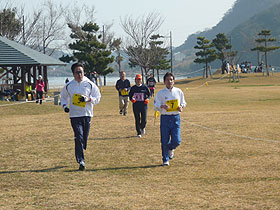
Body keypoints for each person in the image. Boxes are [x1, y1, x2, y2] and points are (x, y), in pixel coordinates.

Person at [60, 63, 101, 171]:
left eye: (81, 72)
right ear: (73, 74)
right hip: (74, 115)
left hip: (87, 114)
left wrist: (88, 99)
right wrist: (64, 106)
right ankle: (81, 160)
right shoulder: (69, 85)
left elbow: (97, 97)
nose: (80, 74)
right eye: (77, 72)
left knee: (84, 138)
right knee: (78, 136)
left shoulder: (89, 84)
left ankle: (81, 147)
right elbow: (63, 97)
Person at [154, 72, 186, 166]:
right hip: (165, 118)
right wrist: (162, 106)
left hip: (175, 117)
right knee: (164, 140)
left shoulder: (178, 91)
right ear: (164, 81)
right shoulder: (161, 93)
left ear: (174, 81)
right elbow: (155, 106)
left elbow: (184, 103)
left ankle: (171, 148)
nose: (169, 81)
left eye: (171, 79)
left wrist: (181, 107)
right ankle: (165, 159)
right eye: (167, 80)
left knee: (177, 140)